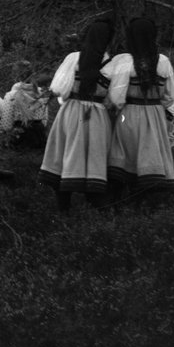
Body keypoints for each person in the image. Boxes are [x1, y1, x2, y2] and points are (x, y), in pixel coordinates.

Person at [38, 18, 115, 211]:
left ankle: (63, 207)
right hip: (97, 114)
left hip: (71, 111)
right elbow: (112, 98)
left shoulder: (74, 59)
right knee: (94, 156)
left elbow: (58, 88)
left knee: (66, 153)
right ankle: (95, 204)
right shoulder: (112, 65)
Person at [104, 17, 174, 201]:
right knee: (150, 152)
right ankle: (146, 197)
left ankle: (121, 197)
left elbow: (116, 96)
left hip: (130, 113)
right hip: (155, 113)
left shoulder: (124, 61)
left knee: (124, 153)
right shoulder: (164, 62)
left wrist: (115, 109)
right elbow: (169, 97)